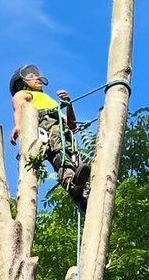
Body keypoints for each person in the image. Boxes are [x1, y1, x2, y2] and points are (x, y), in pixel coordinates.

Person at [9, 63, 91, 210]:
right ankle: (71, 183)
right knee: (59, 152)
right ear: (22, 83)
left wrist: (69, 105)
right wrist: (19, 125)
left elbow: (71, 125)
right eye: (31, 76)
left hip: (62, 130)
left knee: (73, 157)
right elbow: (18, 106)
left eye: (36, 74)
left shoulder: (49, 100)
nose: (37, 78)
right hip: (45, 126)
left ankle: (82, 192)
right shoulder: (24, 94)